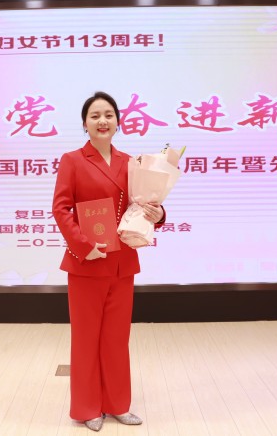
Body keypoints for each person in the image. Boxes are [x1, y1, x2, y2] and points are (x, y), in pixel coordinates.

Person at [52, 91, 165, 432]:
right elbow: (61, 208)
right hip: (86, 262)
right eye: (95, 115)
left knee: (116, 339)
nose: (102, 121)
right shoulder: (72, 160)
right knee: (86, 339)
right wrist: (83, 245)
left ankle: (118, 404)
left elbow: (142, 204)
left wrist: (157, 214)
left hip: (122, 262)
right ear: (85, 124)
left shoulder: (131, 162)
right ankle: (88, 408)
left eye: (109, 115)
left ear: (118, 121)